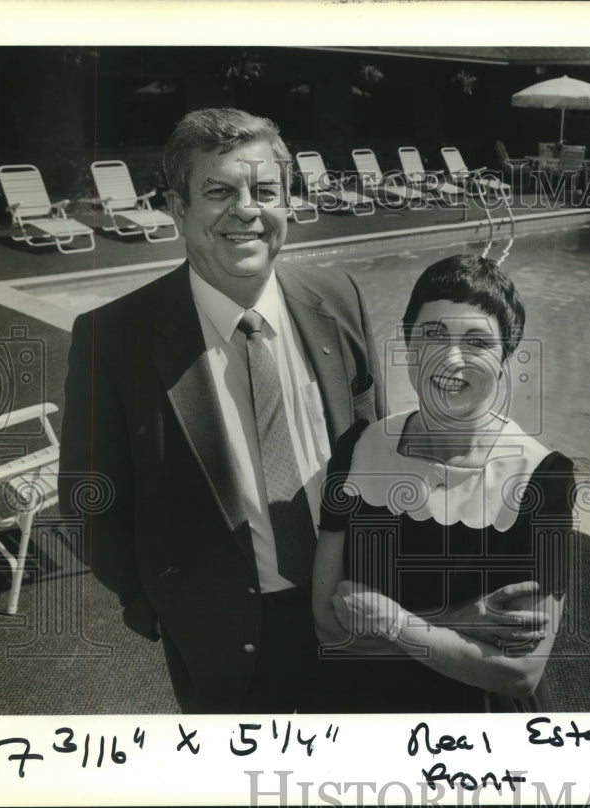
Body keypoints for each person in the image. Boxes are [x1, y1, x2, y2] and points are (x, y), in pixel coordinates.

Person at [57, 108, 387, 713]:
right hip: (225, 644)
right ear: (178, 209)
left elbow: (377, 454)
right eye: (219, 191)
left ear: (288, 202)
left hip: (356, 617)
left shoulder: (339, 300)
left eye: (264, 191)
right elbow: (87, 500)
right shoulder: (116, 339)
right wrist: (158, 605)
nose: (246, 210)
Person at [312, 254, 576, 712]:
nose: (451, 358)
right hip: (367, 708)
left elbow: (519, 672)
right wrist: (453, 623)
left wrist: (392, 621)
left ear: (505, 358)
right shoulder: (358, 450)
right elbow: (329, 628)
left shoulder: (540, 479)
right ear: (408, 343)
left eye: (477, 341)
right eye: (433, 334)